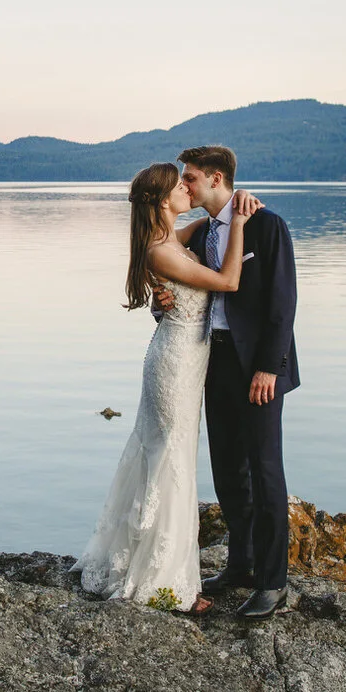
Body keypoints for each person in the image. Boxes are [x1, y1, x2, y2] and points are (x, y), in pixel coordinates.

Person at [74, 162, 262, 615]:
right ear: (162, 201)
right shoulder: (160, 250)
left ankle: (160, 566)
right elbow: (228, 282)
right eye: (179, 186)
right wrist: (237, 222)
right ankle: (167, 582)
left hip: (186, 358)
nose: (186, 188)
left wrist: (218, 217)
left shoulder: (166, 240)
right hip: (174, 364)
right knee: (170, 461)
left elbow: (194, 229)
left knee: (165, 458)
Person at [159, 144, 300, 619]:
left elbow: (283, 305)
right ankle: (239, 563)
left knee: (264, 471)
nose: (186, 186)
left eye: (192, 178)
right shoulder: (200, 236)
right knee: (226, 470)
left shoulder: (266, 225)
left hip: (257, 368)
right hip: (211, 362)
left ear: (217, 178)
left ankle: (273, 581)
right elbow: (184, 292)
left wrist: (269, 368)